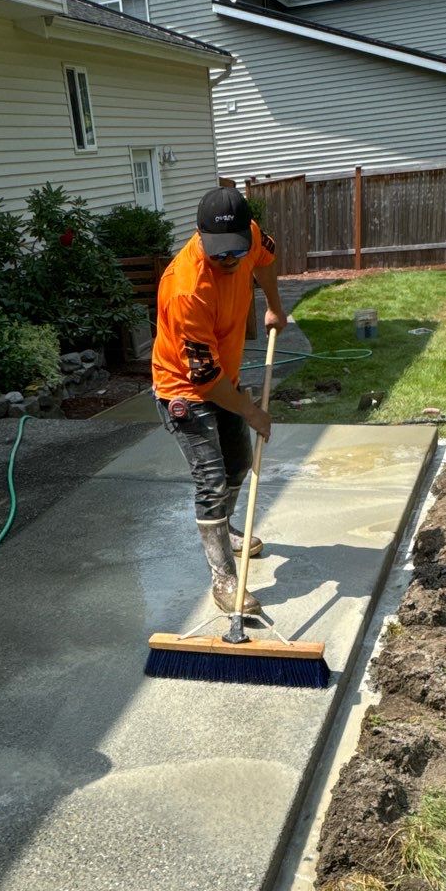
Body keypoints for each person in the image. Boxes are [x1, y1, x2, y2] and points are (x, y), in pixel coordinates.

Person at [152, 186, 288, 614]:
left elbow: (265, 259)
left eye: (235, 252)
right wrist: (252, 412)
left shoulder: (247, 237)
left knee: (239, 463)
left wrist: (274, 306)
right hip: (185, 389)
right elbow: (206, 383)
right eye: (220, 254)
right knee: (210, 480)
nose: (230, 260)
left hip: (221, 376)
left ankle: (225, 527)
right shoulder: (185, 288)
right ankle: (225, 581)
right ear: (200, 236)